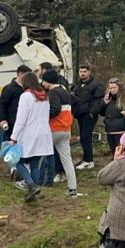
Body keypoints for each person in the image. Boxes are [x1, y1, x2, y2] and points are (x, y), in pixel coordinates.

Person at [10, 72, 53, 201]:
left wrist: (14, 137)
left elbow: (21, 120)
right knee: (35, 164)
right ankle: (33, 192)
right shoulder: (44, 97)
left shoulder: (25, 97)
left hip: (30, 134)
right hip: (44, 133)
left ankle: (31, 185)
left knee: (17, 161)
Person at [41, 69, 78, 197]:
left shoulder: (53, 92)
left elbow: (55, 109)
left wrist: (42, 116)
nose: (42, 83)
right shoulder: (65, 92)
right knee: (67, 159)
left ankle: (34, 181)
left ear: (48, 81)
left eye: (43, 80)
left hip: (54, 129)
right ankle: (72, 187)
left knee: (39, 154)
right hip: (66, 129)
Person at [72, 64, 105, 170]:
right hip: (79, 115)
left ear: (89, 72)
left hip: (89, 115)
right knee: (83, 137)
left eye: (84, 71)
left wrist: (92, 113)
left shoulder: (96, 85)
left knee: (86, 137)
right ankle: (86, 158)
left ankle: (88, 160)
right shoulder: (77, 85)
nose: (82, 73)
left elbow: (98, 101)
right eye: (80, 71)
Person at [0, 65, 33, 145]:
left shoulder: (29, 88)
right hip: (13, 123)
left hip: (27, 123)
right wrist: (2, 119)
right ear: (20, 74)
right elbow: (1, 104)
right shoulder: (9, 88)